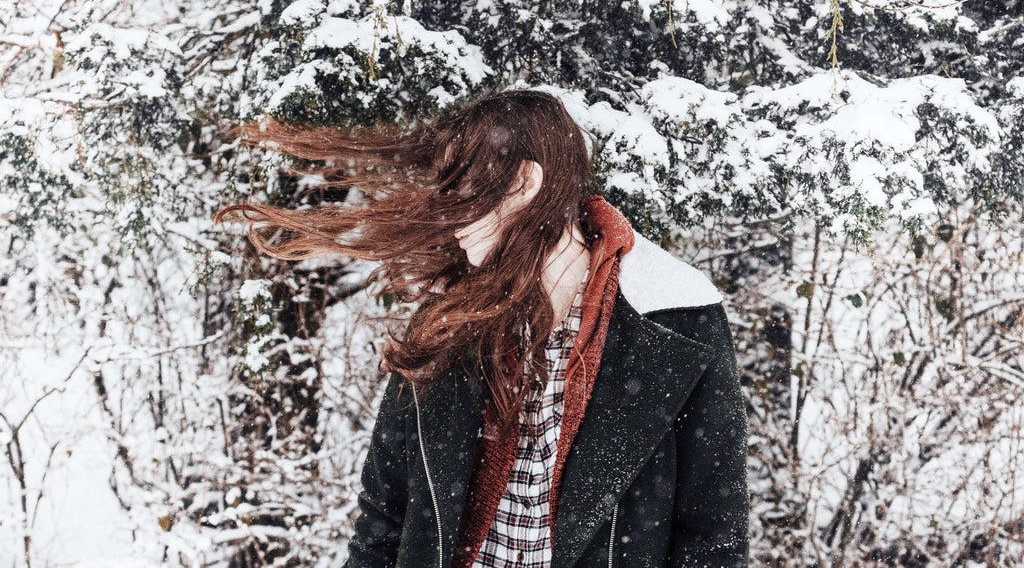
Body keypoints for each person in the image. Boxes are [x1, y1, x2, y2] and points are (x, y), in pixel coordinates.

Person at [216, 90, 749, 567]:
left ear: (523, 182)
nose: (449, 217)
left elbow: (713, 540)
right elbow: (384, 518)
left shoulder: (677, 318)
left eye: (461, 191)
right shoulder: (449, 323)